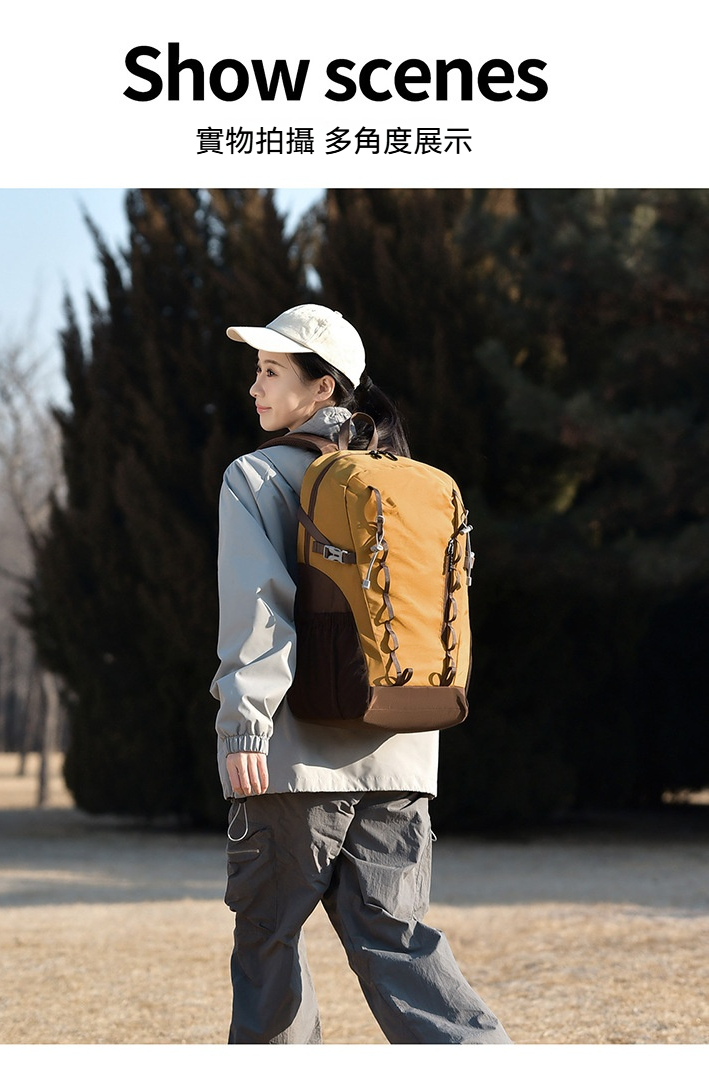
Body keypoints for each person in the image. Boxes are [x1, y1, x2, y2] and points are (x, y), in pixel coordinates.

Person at [210, 303, 511, 1045]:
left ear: (323, 388)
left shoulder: (255, 476)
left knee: (269, 943)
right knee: (399, 943)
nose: (254, 386)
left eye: (271, 371)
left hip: (291, 762)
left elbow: (260, 610)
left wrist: (244, 723)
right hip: (402, 752)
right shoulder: (412, 483)